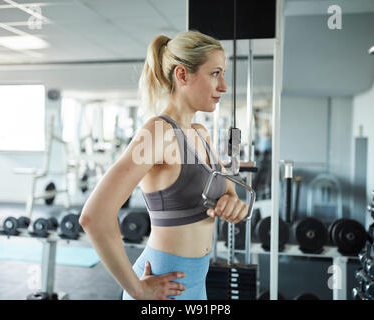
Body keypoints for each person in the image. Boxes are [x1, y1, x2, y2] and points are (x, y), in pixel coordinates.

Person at [79, 30, 248, 300]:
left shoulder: (200, 133)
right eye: (215, 73)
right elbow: (94, 215)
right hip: (163, 286)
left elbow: (229, 192)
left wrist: (232, 203)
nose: (223, 86)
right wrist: (137, 289)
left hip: (196, 284)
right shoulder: (158, 132)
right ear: (182, 75)